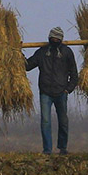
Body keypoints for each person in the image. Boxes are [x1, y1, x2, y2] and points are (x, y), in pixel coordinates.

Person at [25, 26, 78, 155]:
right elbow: (28, 66)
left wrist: (68, 89)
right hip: (45, 92)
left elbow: (74, 74)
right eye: (53, 38)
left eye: (57, 38)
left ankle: (62, 148)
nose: (55, 40)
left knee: (63, 121)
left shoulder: (67, 52)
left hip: (61, 92)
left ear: (61, 40)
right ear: (49, 38)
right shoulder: (42, 52)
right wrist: (18, 55)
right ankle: (47, 150)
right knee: (45, 122)